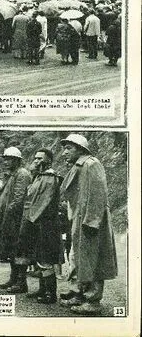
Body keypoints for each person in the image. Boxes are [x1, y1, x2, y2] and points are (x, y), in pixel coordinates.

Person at [59, 134, 118, 315]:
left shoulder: (91, 164)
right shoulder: (79, 166)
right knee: (79, 257)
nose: (64, 152)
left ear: (80, 148)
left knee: (93, 259)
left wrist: (91, 221)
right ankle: (80, 294)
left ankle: (93, 301)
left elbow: (98, 195)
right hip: (79, 217)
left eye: (69, 148)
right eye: (64, 148)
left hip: (91, 220)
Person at [17, 148, 63, 304]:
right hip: (37, 223)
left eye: (39, 158)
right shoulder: (39, 177)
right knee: (39, 257)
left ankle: (51, 294)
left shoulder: (49, 178)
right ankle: (43, 289)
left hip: (46, 224)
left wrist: (31, 221)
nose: (36, 161)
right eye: (35, 158)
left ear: (48, 160)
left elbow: (42, 203)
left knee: (46, 259)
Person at [0, 147, 33, 293]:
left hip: (17, 220)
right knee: (12, 250)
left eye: (9, 159)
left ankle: (21, 282)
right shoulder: (11, 175)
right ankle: (13, 278)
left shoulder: (22, 174)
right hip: (9, 219)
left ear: (17, 160)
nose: (5, 162)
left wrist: (8, 215)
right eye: (5, 159)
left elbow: (19, 198)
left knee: (19, 250)